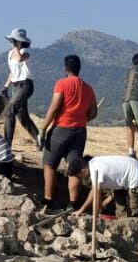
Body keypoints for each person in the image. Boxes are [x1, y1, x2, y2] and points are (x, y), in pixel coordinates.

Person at [38, 54, 98, 211]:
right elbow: (93, 112)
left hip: (61, 129)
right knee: (74, 167)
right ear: (79, 68)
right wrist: (81, 118)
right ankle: (73, 204)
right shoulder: (88, 88)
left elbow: (55, 107)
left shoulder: (62, 84)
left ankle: (48, 202)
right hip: (80, 132)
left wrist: (43, 128)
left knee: (49, 165)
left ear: (66, 68)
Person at [75, 155, 138, 224]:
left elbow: (96, 195)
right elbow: (114, 178)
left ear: (83, 170)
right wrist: (104, 203)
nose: (82, 179)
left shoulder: (95, 170)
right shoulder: (93, 162)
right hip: (126, 180)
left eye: (80, 176)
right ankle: (125, 222)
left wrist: (94, 216)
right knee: (121, 216)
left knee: (136, 217)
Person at [0, 28, 40, 146]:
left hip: (26, 85)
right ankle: (39, 139)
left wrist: (17, 47)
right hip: (16, 86)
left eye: (13, 40)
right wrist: (5, 86)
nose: (11, 42)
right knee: (23, 118)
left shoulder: (25, 52)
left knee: (9, 111)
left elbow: (20, 59)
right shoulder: (10, 54)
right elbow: (12, 72)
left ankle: (7, 144)